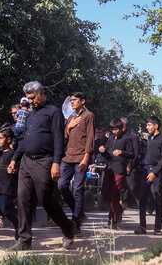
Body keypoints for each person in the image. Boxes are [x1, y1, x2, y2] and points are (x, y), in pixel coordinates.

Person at [7, 81, 75, 250]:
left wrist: (56, 163)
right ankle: (24, 240)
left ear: (41, 93)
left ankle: (68, 228)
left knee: (46, 200)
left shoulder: (54, 112)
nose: (31, 101)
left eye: (33, 97)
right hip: (26, 162)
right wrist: (15, 159)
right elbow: (23, 141)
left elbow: (59, 139)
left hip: (45, 161)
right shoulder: (30, 115)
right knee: (22, 199)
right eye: (28, 98)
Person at [57, 91, 95, 232]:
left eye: (75, 100)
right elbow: (65, 137)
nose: (72, 102)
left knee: (77, 189)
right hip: (68, 157)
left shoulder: (89, 116)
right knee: (61, 185)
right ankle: (80, 214)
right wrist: (69, 126)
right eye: (71, 100)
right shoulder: (71, 117)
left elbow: (91, 138)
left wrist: (86, 158)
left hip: (81, 157)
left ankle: (75, 223)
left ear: (83, 101)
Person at [134, 116, 162, 235]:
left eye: (149, 125)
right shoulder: (149, 139)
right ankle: (142, 226)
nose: (147, 127)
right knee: (142, 198)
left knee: (158, 199)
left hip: (157, 172)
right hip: (146, 169)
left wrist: (154, 172)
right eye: (147, 125)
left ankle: (157, 228)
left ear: (156, 126)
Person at [99, 118, 127, 228]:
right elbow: (107, 155)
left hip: (119, 170)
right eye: (113, 129)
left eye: (116, 129)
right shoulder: (110, 139)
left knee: (115, 195)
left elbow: (132, 154)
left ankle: (112, 221)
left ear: (121, 128)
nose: (115, 131)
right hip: (109, 169)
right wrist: (103, 151)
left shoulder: (126, 139)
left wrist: (122, 152)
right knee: (105, 192)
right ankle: (119, 209)